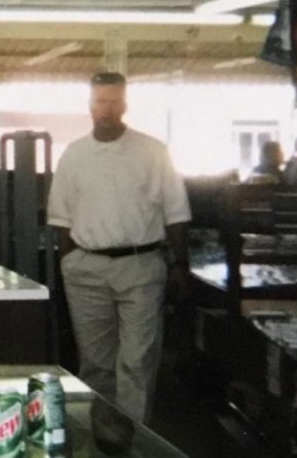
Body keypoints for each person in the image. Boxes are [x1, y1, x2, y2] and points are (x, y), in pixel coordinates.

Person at [47, 71, 191, 423]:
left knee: (137, 361)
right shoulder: (74, 154)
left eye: (114, 102)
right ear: (90, 106)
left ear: (125, 105)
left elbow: (176, 213)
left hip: (140, 265)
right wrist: (69, 264)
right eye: (101, 102)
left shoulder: (153, 151)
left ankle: (133, 443)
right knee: (95, 363)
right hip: (85, 268)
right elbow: (60, 219)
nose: (107, 109)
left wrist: (180, 266)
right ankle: (100, 440)